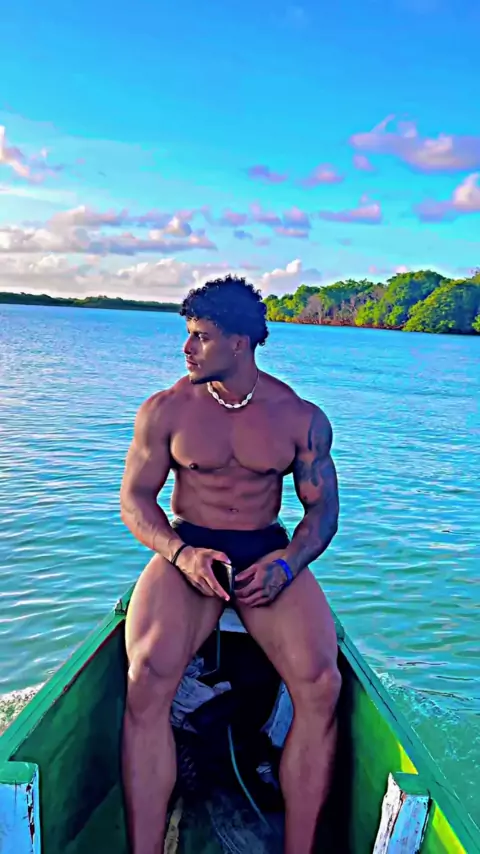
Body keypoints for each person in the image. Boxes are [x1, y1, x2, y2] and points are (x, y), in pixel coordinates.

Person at [120, 275, 341, 854]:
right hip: (189, 549)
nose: (186, 348)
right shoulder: (166, 410)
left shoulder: (299, 417)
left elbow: (321, 513)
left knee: (321, 684)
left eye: (200, 336)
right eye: (188, 335)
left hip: (265, 552)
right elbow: (135, 499)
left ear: (239, 343)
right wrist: (180, 553)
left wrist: (287, 565)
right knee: (147, 676)